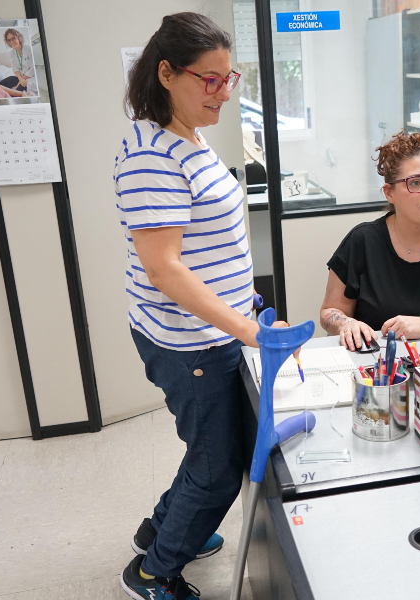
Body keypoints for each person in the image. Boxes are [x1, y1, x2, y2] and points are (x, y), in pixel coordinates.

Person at [115, 13, 282, 600]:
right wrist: (247, 328)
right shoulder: (150, 157)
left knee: (211, 450)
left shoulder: (187, 132)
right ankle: (153, 572)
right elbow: (165, 270)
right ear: (166, 73)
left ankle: (160, 528)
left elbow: (211, 242)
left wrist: (249, 306)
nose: (223, 93)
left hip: (217, 328)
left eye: (228, 77)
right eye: (207, 80)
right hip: (189, 341)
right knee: (217, 470)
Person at [320, 132, 420, 351]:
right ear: (389, 193)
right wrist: (347, 324)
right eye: (416, 182)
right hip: (380, 366)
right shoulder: (363, 240)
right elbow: (329, 312)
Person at [0, 28, 35, 93]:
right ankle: (18, 83)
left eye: (13, 38)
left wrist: (22, 80)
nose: (12, 42)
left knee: (18, 91)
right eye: (9, 40)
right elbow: (15, 68)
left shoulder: (28, 49)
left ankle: (20, 85)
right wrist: (20, 79)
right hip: (20, 77)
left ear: (18, 37)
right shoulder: (12, 53)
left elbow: (33, 68)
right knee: (2, 83)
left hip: (29, 77)